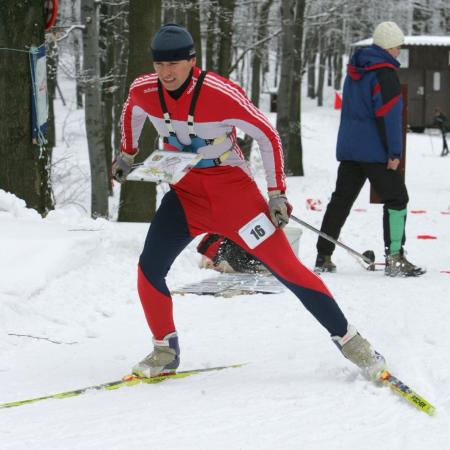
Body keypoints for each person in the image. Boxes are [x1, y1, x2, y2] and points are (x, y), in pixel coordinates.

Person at [112, 23, 386, 380]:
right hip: (185, 195)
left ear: (192, 61)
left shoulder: (220, 92)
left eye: (174, 65)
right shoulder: (145, 89)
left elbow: (267, 134)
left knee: (288, 269)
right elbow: (131, 109)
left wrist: (276, 194)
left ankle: (352, 344)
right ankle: (164, 350)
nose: (166, 73)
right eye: (159, 65)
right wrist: (127, 153)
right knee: (149, 268)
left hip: (235, 199)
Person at [315, 21, 425, 278]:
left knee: (341, 200)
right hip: (374, 150)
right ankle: (395, 258)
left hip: (350, 148)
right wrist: (395, 153)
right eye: (397, 47)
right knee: (397, 198)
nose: (399, 51)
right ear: (389, 47)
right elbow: (391, 116)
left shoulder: (355, 70)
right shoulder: (384, 74)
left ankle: (323, 255)